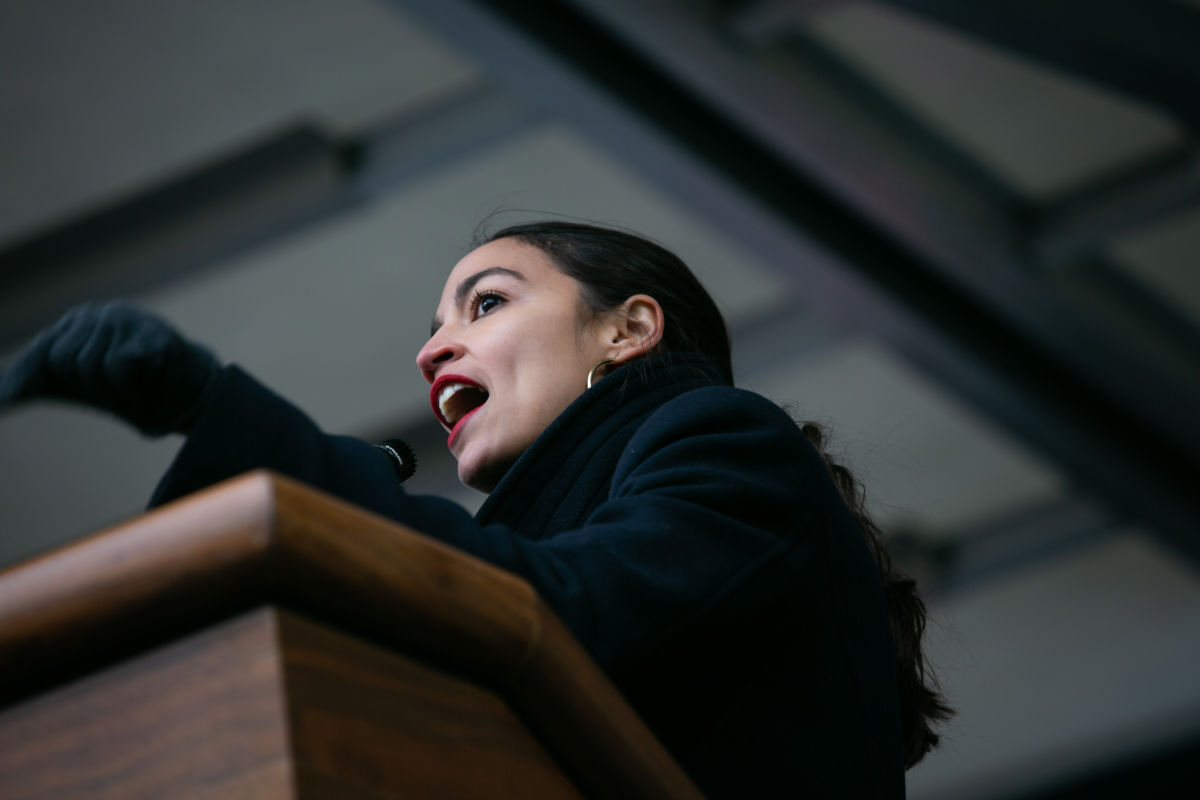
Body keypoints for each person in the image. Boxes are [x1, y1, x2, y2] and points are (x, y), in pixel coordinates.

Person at [0, 220, 950, 796]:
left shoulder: (720, 434)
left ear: (629, 329)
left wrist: (223, 420)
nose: (431, 354)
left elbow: (559, 617)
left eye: (484, 304)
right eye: (435, 329)